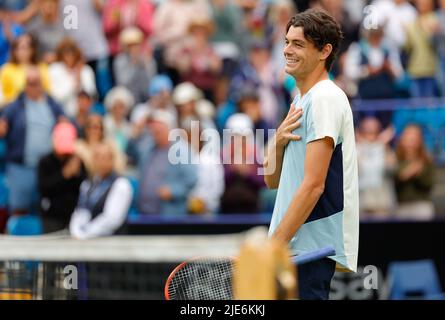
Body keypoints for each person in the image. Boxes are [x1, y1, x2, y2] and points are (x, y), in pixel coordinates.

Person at [263, 9, 359, 300]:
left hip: (309, 249)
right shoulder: (300, 100)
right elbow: (271, 180)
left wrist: (275, 245)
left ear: (324, 51)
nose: (287, 50)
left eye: (298, 44)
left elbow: (314, 184)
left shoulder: (325, 98)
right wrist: (277, 142)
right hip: (294, 249)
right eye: (286, 41)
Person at [0, 67, 65, 216]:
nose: (33, 86)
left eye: (36, 82)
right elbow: (3, 123)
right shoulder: (15, 106)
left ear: (42, 84)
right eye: (30, 83)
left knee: (45, 210)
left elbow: (66, 123)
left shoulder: (52, 105)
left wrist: (64, 123)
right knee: (18, 209)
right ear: (25, 85)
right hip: (21, 167)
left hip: (47, 168)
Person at [136, 109, 197, 216]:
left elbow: (192, 179)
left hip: (169, 215)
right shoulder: (148, 149)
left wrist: (173, 191)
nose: (154, 132)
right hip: (145, 213)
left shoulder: (181, 150)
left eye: (158, 129)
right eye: (153, 129)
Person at [69, 142, 133, 239]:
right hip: (87, 242)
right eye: (97, 157)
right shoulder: (88, 184)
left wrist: (86, 234)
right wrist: (76, 231)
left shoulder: (121, 184)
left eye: (105, 157)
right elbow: (81, 211)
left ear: (113, 159)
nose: (101, 161)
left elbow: (112, 220)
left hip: (111, 243)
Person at [38, 122, 87, 233]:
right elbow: (43, 188)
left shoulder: (77, 160)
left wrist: (78, 174)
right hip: (52, 216)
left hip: (75, 215)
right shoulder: (45, 162)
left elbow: (85, 187)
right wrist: (64, 174)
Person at [393, 124, 435, 220]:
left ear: (420, 140)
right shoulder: (395, 159)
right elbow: (395, 178)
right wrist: (409, 172)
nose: (410, 141)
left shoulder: (426, 160)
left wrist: (416, 173)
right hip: (401, 206)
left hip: (421, 206)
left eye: (414, 137)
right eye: (408, 136)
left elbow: (428, 183)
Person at [49, 38, 97, 117]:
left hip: (84, 115)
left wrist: (79, 76)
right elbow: (56, 97)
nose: (69, 56)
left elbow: (92, 94)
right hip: (62, 115)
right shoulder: (54, 69)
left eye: (72, 52)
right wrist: (75, 84)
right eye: (66, 52)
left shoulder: (86, 70)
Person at [0, 33, 51, 105]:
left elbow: (48, 91)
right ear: (15, 51)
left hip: (40, 104)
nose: (24, 51)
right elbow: (4, 96)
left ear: (33, 50)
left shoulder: (42, 67)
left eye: (28, 48)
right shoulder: (7, 69)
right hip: (14, 108)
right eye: (21, 48)